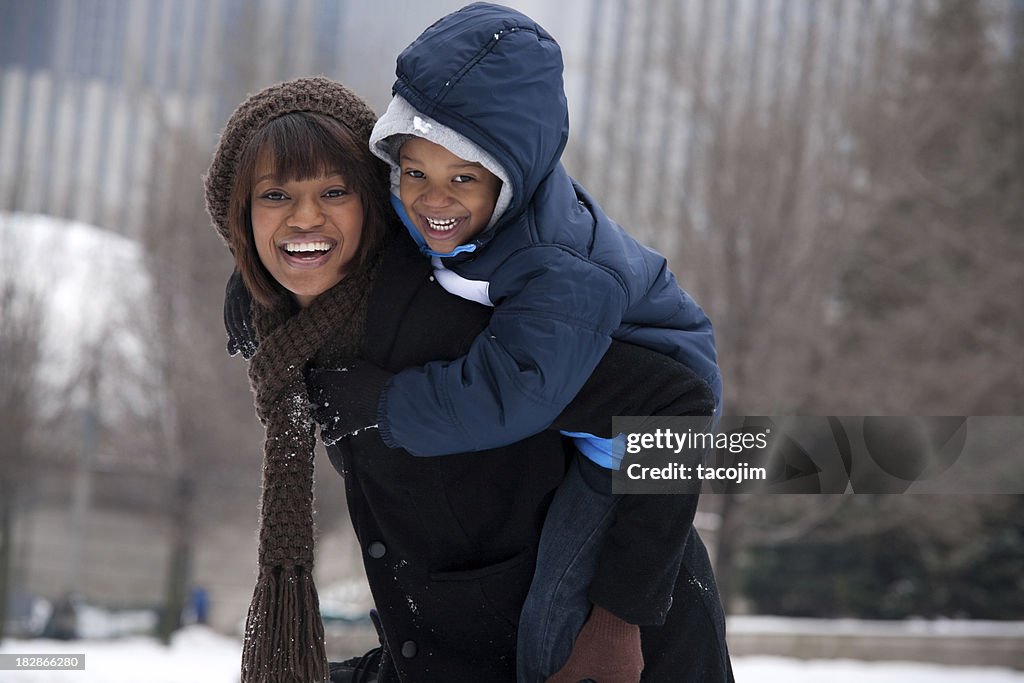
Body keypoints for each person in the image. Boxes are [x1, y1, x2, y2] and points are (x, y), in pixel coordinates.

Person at [206, 76, 732, 682]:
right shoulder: (301, 342)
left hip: (618, 659)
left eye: (334, 191)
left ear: (374, 202)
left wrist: (617, 625)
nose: (305, 219)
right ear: (239, 218)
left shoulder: (454, 317)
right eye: (274, 196)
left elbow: (676, 404)